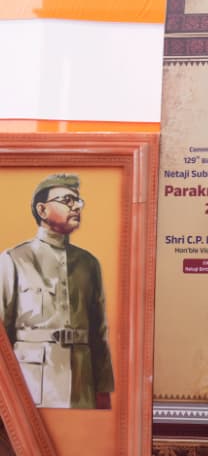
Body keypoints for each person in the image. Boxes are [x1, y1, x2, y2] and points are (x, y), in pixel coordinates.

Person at [0, 173, 113, 409]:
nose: (76, 207)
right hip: (32, 385)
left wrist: (103, 389)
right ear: (42, 210)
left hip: (82, 385)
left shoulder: (88, 263)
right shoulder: (14, 260)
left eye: (78, 201)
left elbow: (99, 333)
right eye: (67, 200)